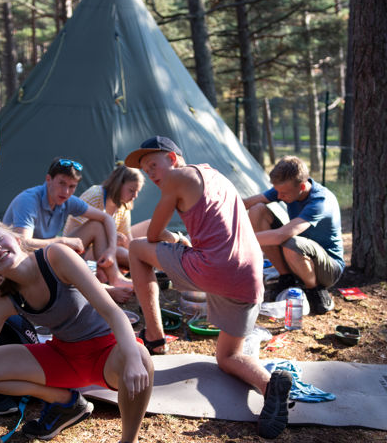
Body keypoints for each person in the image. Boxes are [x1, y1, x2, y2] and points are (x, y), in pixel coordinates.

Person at [124, 136, 292, 439]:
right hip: (250, 276)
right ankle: (271, 387)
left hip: (214, 268)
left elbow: (151, 234)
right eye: (147, 172)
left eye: (153, 165)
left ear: (173, 159)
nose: (152, 175)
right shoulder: (214, 175)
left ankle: (154, 337)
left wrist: (176, 239)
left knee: (136, 250)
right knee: (228, 358)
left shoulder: (178, 176)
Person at [0, 217, 153, 442]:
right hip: (64, 356)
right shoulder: (4, 298)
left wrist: (130, 357)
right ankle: (65, 402)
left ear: (16, 238)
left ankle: (128, 440)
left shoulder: (56, 257)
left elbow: (112, 312)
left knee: (140, 357)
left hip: (107, 352)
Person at [2, 157, 134, 293]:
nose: (66, 191)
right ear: (48, 179)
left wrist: (111, 250)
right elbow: (23, 243)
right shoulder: (28, 200)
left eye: (72, 186)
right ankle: (101, 289)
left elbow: (107, 218)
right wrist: (63, 241)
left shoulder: (68, 200)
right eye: (62, 183)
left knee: (96, 225)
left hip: (47, 255)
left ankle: (115, 278)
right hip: (22, 263)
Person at [243, 155, 343, 315]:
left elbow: (282, 235)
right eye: (277, 192)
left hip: (329, 269)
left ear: (302, 187)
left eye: (284, 193)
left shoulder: (320, 201)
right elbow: (248, 203)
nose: (279, 196)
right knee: (257, 210)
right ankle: (286, 278)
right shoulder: (287, 189)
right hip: (299, 257)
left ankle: (315, 291)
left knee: (292, 243)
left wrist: (238, 240)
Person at [63, 162, 145, 270]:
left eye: (137, 192)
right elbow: (77, 228)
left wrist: (141, 256)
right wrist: (111, 238)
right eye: (131, 190)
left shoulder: (124, 205)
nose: (135, 196)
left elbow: (127, 237)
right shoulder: (96, 195)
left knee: (136, 250)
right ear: (119, 184)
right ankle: (117, 277)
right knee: (122, 253)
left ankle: (149, 270)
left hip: (104, 249)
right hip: (78, 249)